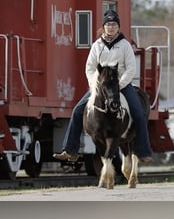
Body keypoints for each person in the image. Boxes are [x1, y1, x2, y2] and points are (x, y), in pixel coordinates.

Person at [53, 9, 152, 163]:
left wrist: (119, 85)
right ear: (104, 27)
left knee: (138, 112)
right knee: (77, 110)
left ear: (118, 27)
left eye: (113, 24)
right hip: (100, 86)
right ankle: (70, 150)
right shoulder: (97, 45)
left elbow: (131, 68)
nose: (110, 27)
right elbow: (90, 68)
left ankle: (143, 151)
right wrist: (95, 85)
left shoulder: (125, 45)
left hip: (121, 84)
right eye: (108, 24)